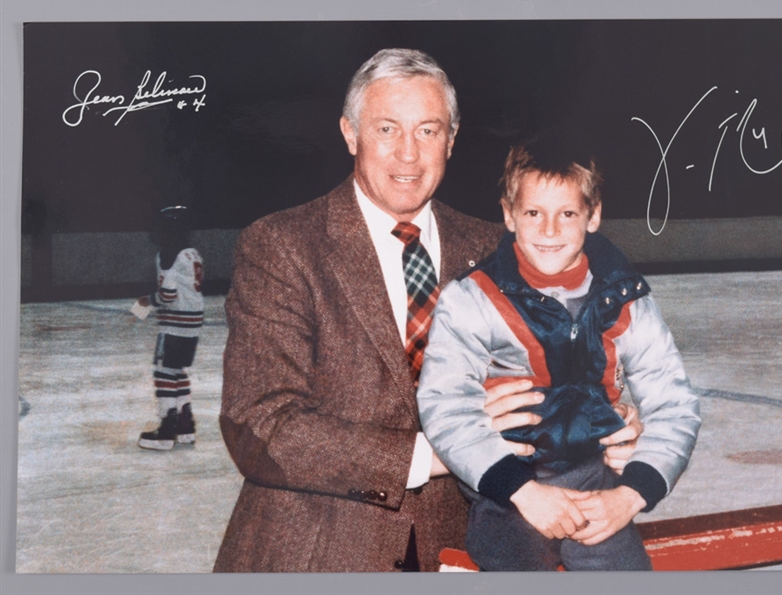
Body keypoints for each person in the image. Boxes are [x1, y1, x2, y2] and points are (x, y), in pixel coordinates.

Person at [213, 48, 641, 573]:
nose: (409, 155)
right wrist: (438, 453)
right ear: (350, 134)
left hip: (464, 549)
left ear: (452, 141)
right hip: (318, 552)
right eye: (388, 129)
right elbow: (261, 426)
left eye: (428, 131)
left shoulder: (499, 249)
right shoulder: (283, 246)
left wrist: (608, 414)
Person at [416, 137, 702, 571]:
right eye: (534, 213)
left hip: (591, 477)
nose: (550, 231)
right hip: (507, 483)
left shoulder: (624, 296)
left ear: (594, 215)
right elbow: (445, 404)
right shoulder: (473, 299)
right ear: (510, 215)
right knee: (518, 559)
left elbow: (673, 402)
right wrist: (520, 490)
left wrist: (631, 495)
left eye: (567, 214)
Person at [136, 205, 204, 451]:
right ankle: (185, 426)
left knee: (164, 372)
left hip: (175, 322)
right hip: (194, 320)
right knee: (177, 371)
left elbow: (167, 294)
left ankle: (166, 430)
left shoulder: (168, 253)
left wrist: (147, 301)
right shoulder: (192, 252)